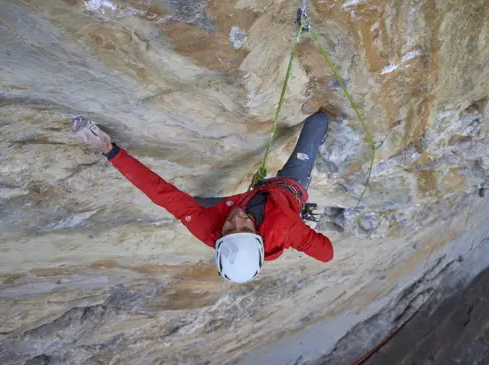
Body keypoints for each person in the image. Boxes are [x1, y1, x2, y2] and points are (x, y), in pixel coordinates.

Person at [72, 111, 333, 284]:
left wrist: (110, 151)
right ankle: (303, 206)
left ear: (218, 238)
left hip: (245, 198)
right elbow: (327, 254)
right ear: (258, 237)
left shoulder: (207, 226)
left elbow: (161, 192)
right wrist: (304, 236)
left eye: (229, 228)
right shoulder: (287, 229)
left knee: (187, 202)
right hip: (289, 188)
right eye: (244, 227)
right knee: (318, 121)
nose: (237, 219)